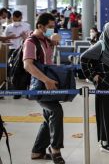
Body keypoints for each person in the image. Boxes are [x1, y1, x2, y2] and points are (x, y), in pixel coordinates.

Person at [23, 13, 65, 164]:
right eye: (50, 27)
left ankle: (37, 151)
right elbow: (27, 65)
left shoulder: (45, 40)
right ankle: (55, 150)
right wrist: (46, 80)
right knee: (56, 111)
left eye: (54, 27)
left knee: (49, 117)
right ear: (40, 26)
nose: (52, 30)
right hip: (38, 84)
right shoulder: (31, 42)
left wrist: (54, 42)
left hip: (48, 82)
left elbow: (48, 60)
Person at [80, 22, 109, 154]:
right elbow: (84, 58)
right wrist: (93, 76)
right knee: (105, 114)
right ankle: (105, 142)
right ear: (107, 33)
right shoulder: (101, 45)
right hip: (104, 85)